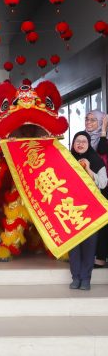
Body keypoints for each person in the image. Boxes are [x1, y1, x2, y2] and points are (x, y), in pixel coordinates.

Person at [69, 131, 108, 290]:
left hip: (91, 209)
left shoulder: (97, 161)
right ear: (73, 144)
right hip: (70, 208)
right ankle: (75, 277)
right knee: (74, 245)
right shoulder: (67, 160)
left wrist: (89, 169)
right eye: (77, 141)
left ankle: (86, 278)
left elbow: (103, 183)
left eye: (84, 141)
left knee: (89, 245)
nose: (80, 144)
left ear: (89, 143)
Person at [85, 110, 108, 268]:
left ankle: (100, 257)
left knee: (103, 222)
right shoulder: (84, 139)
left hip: (103, 186)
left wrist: (104, 131)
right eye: (87, 119)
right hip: (88, 187)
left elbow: (102, 150)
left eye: (94, 120)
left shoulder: (103, 140)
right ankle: (92, 255)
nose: (89, 122)